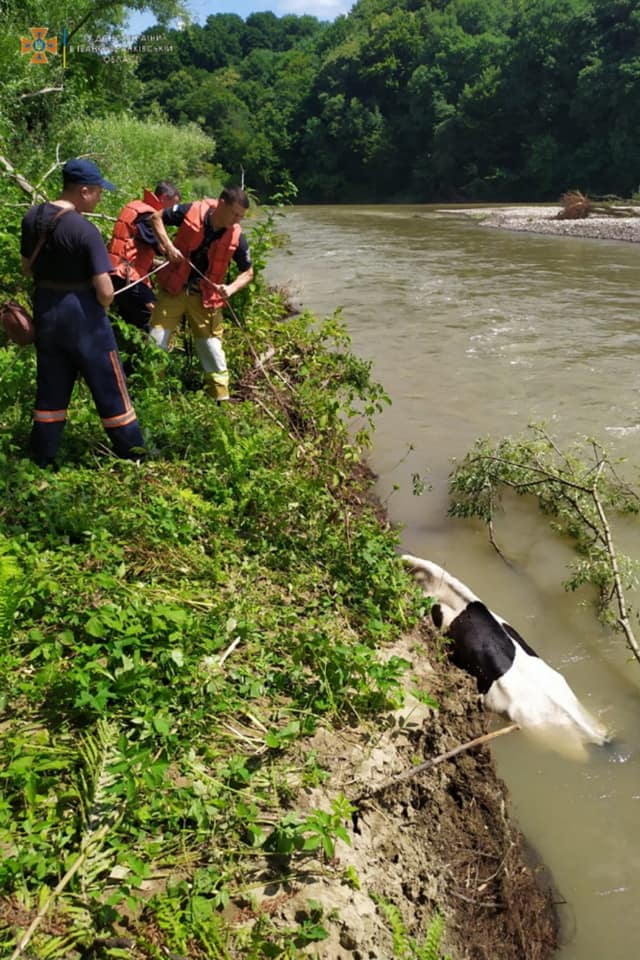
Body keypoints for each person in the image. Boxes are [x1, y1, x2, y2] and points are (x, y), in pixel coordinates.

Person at [20, 157, 145, 467]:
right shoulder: (84, 230)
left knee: (51, 388)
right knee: (110, 388)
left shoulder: (32, 217)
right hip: (85, 320)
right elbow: (104, 291)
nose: (101, 196)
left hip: (47, 311)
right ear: (84, 190)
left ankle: (42, 458)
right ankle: (134, 455)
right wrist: (103, 304)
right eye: (99, 191)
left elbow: (26, 269)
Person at [148, 185, 254, 401]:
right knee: (156, 340)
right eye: (235, 214)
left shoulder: (236, 236)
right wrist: (168, 246)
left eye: (241, 216)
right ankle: (152, 396)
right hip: (174, 290)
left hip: (204, 298)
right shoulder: (190, 211)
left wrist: (231, 288)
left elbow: (248, 272)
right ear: (221, 203)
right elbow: (156, 217)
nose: (237, 220)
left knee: (212, 349)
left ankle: (220, 400)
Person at [108, 181, 181, 331]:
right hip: (128, 276)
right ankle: (154, 353)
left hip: (115, 273)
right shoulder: (149, 217)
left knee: (131, 322)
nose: (172, 211)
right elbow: (162, 249)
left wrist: (155, 263)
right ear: (164, 198)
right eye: (172, 205)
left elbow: (132, 246)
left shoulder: (135, 207)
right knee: (153, 317)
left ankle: (128, 351)